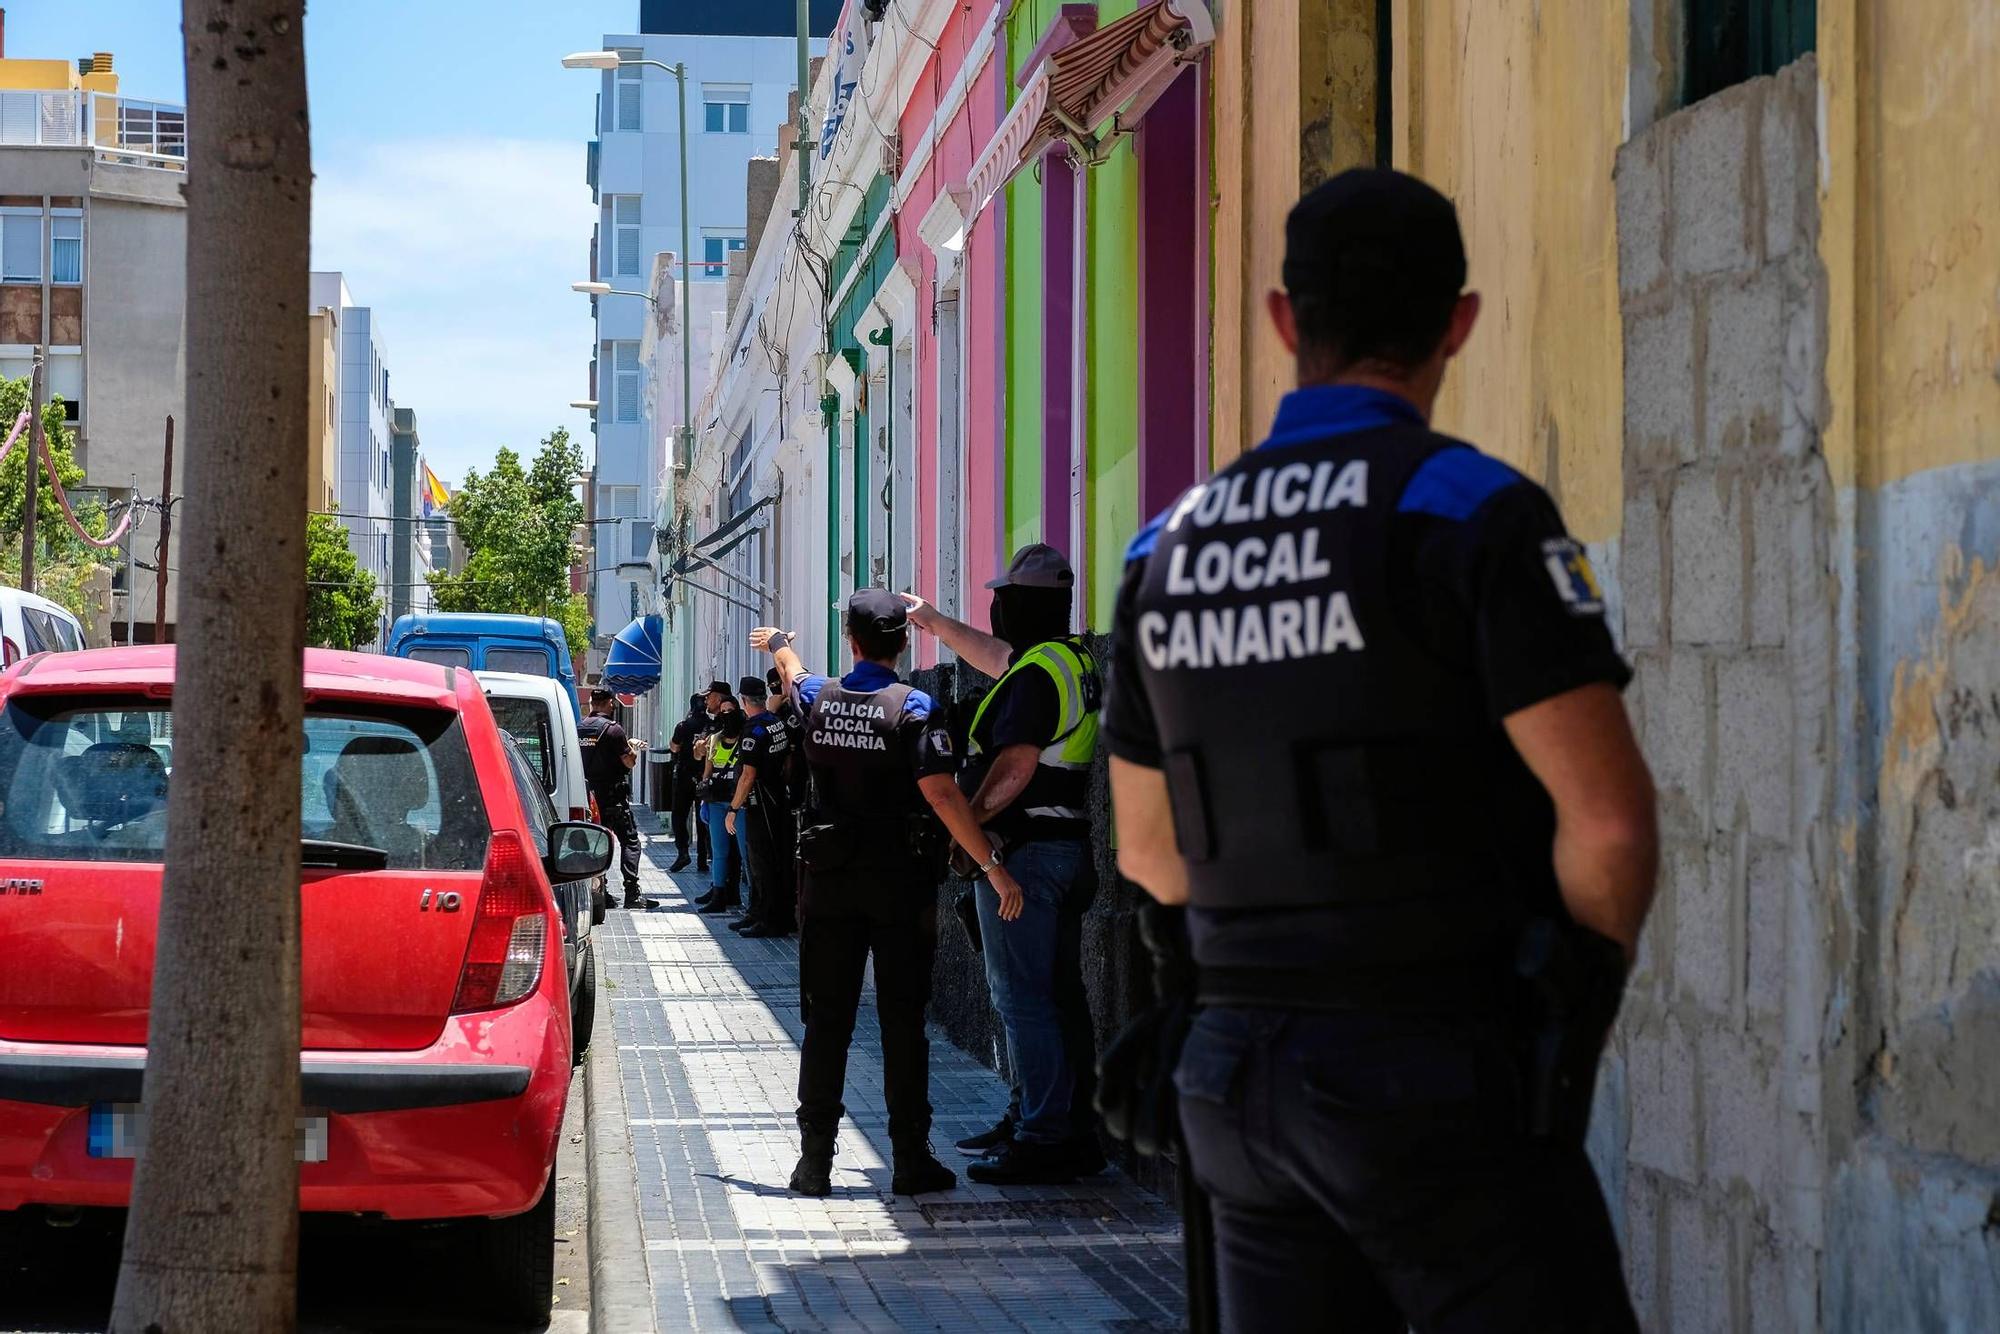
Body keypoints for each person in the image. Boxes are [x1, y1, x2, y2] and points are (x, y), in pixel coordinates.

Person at [1102, 168, 1658, 1331]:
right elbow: (1605, 825)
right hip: (1427, 1068)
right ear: (1457, 321)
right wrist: (1557, 1027)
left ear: (1282, 320)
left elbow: (1150, 857)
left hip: (1231, 1082)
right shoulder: (1468, 508)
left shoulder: (1164, 546)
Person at [750, 591, 1027, 1200]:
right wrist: (993, 866)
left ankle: (814, 1162)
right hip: (900, 886)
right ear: (904, 644)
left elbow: (793, 675)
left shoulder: (819, 699)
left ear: (851, 642)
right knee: (903, 1024)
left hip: (826, 886)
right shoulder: (915, 707)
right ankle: (909, 1160)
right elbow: (942, 796)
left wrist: (779, 644)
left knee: (827, 1024)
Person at [900, 545, 1105, 1185]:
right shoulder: (1063, 660)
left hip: (1025, 857)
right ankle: (1049, 1121)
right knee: (1054, 997)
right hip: (1062, 850)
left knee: (1022, 1001)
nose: (996, 607)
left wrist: (974, 832)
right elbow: (994, 657)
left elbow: (1014, 769)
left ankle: (1044, 1136)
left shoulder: (1042, 674)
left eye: (1004, 597)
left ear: (1023, 602)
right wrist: (934, 621)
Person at [724, 674, 797, 938]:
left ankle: (769, 919)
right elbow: (788, 760)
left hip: (762, 803)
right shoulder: (775, 722)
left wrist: (732, 809)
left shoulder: (753, 729)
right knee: (773, 860)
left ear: (744, 701)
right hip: (778, 797)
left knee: (763, 862)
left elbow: (747, 775)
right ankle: (759, 913)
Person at [579, 687, 653, 910]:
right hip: (613, 797)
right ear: (610, 703)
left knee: (596, 844)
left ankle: (601, 892)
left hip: (588, 796)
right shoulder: (613, 730)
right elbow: (628, 762)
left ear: (592, 703)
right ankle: (632, 893)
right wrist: (633, 749)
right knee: (630, 842)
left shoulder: (579, 727)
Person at [697, 697, 747, 916]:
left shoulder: (746, 738)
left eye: (730, 710)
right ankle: (718, 894)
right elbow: (707, 771)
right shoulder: (715, 739)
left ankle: (754, 900)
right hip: (717, 802)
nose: (726, 715)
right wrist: (703, 799)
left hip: (740, 804)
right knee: (719, 851)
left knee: (746, 853)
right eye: (722, 711)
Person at [666, 693, 712, 873]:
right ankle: (702, 858)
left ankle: (683, 852)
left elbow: (674, 747)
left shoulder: (683, 726)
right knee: (703, 818)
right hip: (705, 776)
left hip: (685, 775)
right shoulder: (711, 725)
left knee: (679, 815)